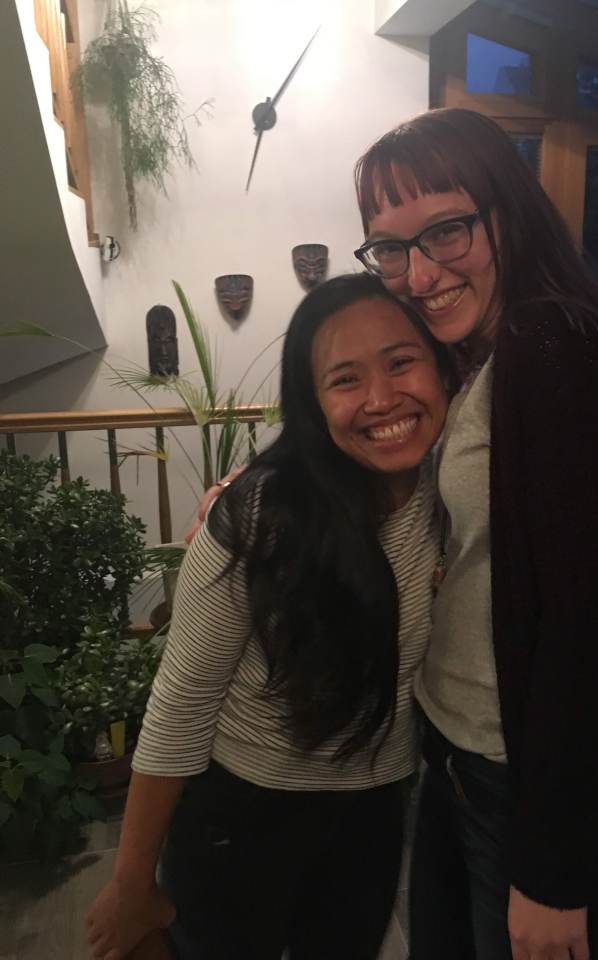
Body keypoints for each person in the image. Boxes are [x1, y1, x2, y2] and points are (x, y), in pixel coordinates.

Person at [348, 107, 598, 960]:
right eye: (391, 247)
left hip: (520, 778)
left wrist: (558, 873)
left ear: (509, 213)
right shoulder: (480, 354)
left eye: (446, 231)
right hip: (461, 747)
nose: (419, 273)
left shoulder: (553, 349)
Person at [84, 274, 455, 960]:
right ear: (312, 402)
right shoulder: (260, 514)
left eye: (402, 362)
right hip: (242, 813)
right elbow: (183, 701)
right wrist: (132, 883)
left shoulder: (455, 491)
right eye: (346, 379)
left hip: (374, 808)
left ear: (441, 367)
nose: (381, 399)